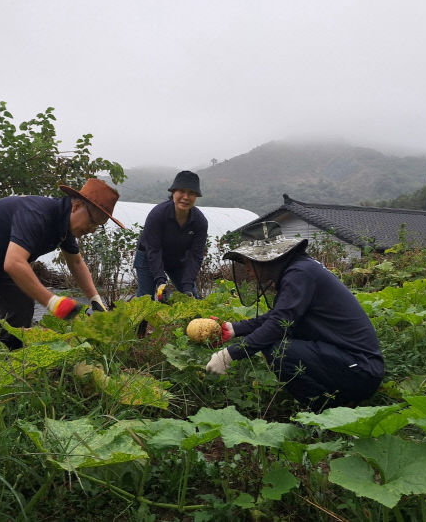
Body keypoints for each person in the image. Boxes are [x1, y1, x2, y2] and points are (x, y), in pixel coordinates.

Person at [205, 221, 384, 410]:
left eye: (249, 260)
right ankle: (330, 405)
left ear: (267, 258)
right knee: (277, 346)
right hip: (351, 363)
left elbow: (278, 324)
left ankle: (322, 410)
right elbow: (280, 315)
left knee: (278, 350)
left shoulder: (300, 273)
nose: (247, 267)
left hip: (361, 370)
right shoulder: (300, 269)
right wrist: (234, 329)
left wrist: (229, 355)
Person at [0, 178, 125, 349]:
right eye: (92, 222)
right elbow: (14, 263)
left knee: (21, 308)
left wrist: (95, 298)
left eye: (98, 227)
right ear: (76, 207)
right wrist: (52, 301)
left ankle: (7, 360)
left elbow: (75, 262)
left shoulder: (64, 228)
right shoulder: (37, 214)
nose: (91, 230)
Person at [134, 170, 208, 302]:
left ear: (196, 196)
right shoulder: (157, 215)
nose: (185, 197)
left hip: (177, 260)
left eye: (191, 193)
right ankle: (138, 323)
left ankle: (196, 322)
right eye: (181, 191)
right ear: (173, 192)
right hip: (148, 256)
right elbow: (154, 250)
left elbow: (195, 255)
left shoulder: (200, 221)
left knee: (192, 299)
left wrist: (187, 286)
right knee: (144, 301)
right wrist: (160, 281)